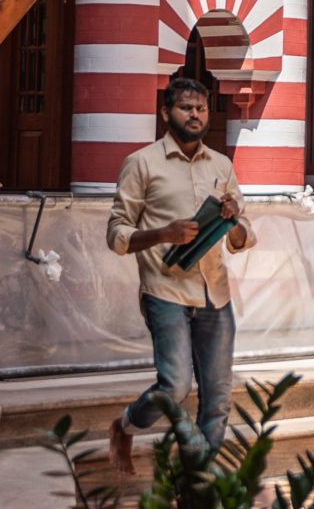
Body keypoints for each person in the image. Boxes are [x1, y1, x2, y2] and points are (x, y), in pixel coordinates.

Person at [107, 72, 252, 473]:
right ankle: (124, 425)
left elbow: (242, 236)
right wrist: (161, 234)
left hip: (214, 293)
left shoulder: (221, 165)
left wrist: (233, 219)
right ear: (165, 112)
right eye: (186, 107)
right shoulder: (141, 163)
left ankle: (198, 485)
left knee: (218, 397)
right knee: (174, 386)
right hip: (165, 291)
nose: (195, 114)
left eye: (201, 108)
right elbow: (116, 233)